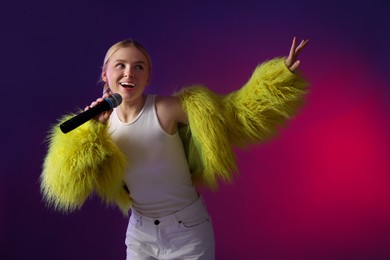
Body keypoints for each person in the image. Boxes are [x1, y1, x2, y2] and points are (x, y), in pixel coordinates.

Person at [40, 37, 309, 259]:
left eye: (139, 67)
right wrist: (89, 132)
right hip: (140, 234)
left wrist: (279, 78)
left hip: (187, 231)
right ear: (105, 75)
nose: (128, 73)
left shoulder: (166, 109)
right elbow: (66, 185)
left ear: (148, 77)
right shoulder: (99, 126)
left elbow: (232, 116)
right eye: (120, 65)